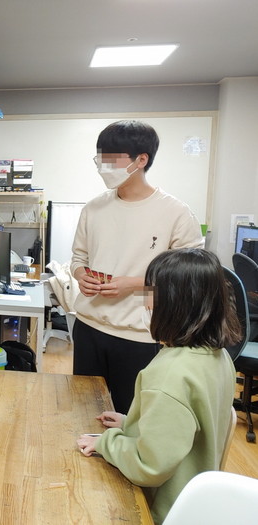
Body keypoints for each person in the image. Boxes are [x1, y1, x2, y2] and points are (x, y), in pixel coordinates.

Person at [77, 248, 240, 524]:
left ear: (175, 303)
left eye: (150, 292)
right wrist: (132, 424)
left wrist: (107, 443)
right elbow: (184, 426)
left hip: (161, 510)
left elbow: (148, 466)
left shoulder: (170, 375)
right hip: (197, 501)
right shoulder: (218, 357)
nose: (145, 302)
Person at [70, 120, 204, 413]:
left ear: (141, 160)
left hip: (141, 335)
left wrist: (135, 284)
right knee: (83, 411)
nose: (102, 167)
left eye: (111, 160)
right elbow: (79, 258)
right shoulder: (93, 208)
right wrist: (80, 275)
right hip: (89, 325)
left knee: (129, 417)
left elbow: (190, 278)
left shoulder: (176, 212)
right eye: (99, 159)